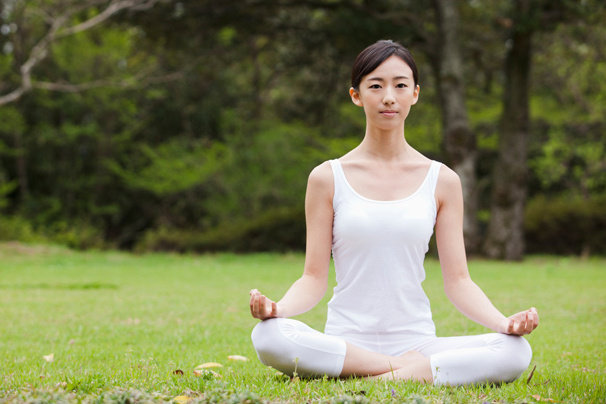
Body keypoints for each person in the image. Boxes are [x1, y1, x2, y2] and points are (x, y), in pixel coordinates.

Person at [248, 40, 539, 386]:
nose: (389, 96)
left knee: (516, 352)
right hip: (346, 341)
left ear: (415, 94)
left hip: (419, 342)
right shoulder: (327, 177)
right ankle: (400, 370)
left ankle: (374, 377)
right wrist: (277, 309)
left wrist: (503, 324)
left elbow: (459, 282)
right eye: (375, 85)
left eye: (400, 85)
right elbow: (313, 279)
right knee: (268, 336)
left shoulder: (442, 180)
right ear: (356, 95)